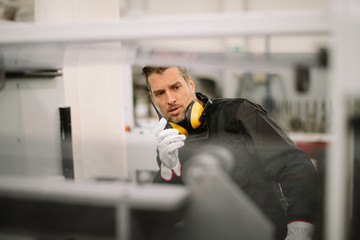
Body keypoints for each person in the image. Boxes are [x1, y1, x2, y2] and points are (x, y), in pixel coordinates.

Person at [142, 66, 317, 240]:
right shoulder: (167, 138)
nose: (170, 99)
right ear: (152, 98)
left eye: (176, 87)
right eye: (160, 93)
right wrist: (167, 169)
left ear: (191, 84)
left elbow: (294, 165)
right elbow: (166, 210)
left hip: (262, 230)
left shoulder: (239, 113)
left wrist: (300, 224)